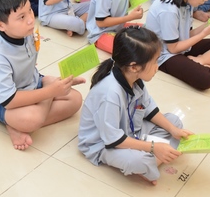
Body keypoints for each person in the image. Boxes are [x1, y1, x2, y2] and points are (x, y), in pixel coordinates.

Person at [0, 0, 84, 150]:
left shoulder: (25, 31)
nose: (31, 19)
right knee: (32, 119)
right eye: (21, 17)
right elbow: (9, 101)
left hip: (28, 83)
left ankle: (17, 124)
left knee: (75, 100)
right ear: (0, 26)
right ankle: (17, 123)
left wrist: (51, 85)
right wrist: (51, 91)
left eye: (30, 10)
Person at [78, 27, 193, 185]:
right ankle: (149, 163)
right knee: (140, 161)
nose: (157, 67)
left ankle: (151, 161)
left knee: (174, 121)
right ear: (134, 67)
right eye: (154, 62)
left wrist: (173, 130)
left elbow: (149, 109)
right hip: (103, 144)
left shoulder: (134, 79)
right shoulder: (110, 93)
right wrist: (153, 147)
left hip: (131, 131)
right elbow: (113, 139)